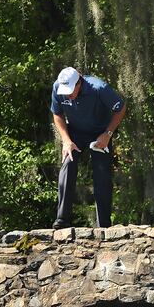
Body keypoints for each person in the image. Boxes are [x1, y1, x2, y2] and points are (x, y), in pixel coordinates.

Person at [50, 67, 126, 229]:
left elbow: (120, 108)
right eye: (66, 91)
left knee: (102, 175)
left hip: (100, 133)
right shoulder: (58, 87)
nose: (68, 94)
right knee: (67, 165)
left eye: (71, 90)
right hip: (75, 133)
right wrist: (66, 140)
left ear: (80, 83)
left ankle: (103, 225)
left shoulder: (99, 88)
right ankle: (62, 219)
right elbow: (57, 114)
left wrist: (108, 133)